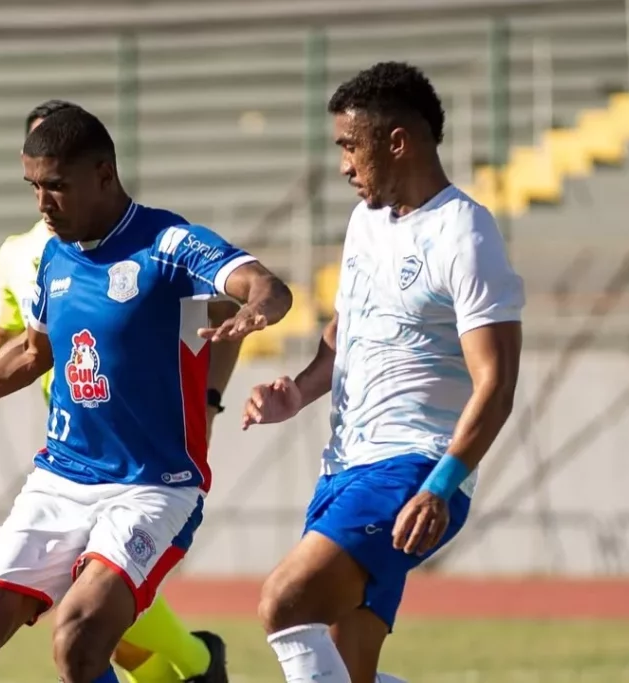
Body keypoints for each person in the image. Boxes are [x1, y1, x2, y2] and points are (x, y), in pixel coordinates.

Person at [0, 105, 293, 683]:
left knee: (78, 638)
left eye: (55, 186)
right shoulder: (53, 255)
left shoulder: (169, 244)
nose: (41, 203)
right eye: (32, 186)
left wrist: (255, 310)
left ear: (104, 174)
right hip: (60, 478)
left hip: (153, 486)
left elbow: (265, 285)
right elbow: (33, 354)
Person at [241, 62, 524, 683]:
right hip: (343, 468)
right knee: (348, 671)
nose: (343, 164)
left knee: (283, 604)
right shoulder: (364, 222)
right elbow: (348, 331)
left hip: (412, 470)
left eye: (350, 145)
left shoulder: (465, 233)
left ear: (397, 141)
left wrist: (441, 485)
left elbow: (497, 383)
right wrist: (299, 392)